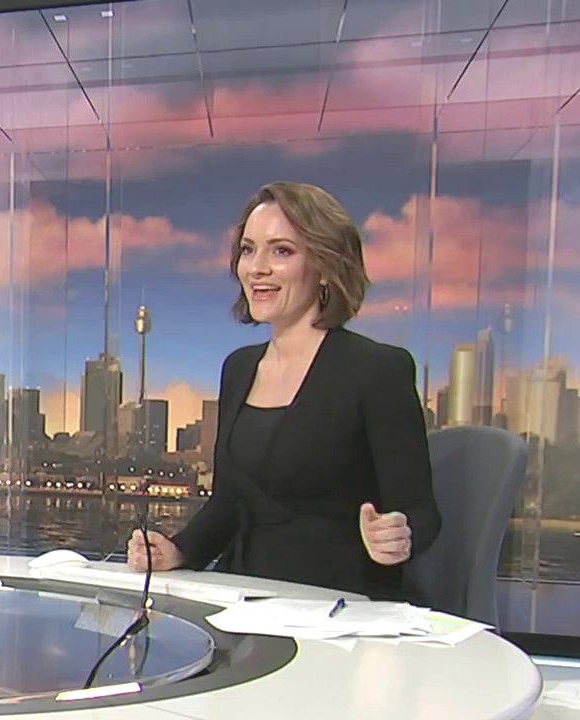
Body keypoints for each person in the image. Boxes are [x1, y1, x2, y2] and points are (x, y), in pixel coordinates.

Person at [127, 182, 440, 600]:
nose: (257, 268)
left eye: (281, 251)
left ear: (325, 265)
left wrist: (397, 536)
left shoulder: (377, 370)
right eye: (248, 250)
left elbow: (422, 513)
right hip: (243, 594)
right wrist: (179, 550)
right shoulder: (239, 368)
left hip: (339, 603)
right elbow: (229, 503)